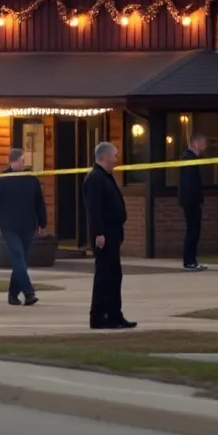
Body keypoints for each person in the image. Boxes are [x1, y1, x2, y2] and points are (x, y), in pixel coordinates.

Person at [84, 141, 136, 329]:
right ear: (104, 156)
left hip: (113, 233)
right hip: (104, 235)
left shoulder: (106, 177)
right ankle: (99, 316)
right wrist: (98, 233)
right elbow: (94, 209)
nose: (116, 159)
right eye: (114, 156)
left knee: (114, 275)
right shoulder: (95, 178)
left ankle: (114, 314)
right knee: (105, 276)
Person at [0, 148, 48, 307]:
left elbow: (39, 202)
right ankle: (29, 292)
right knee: (19, 255)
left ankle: (12, 294)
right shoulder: (2, 180)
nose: (24, 162)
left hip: (27, 226)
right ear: (13, 161)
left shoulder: (31, 179)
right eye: (22, 160)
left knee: (20, 260)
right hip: (9, 227)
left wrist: (42, 222)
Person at [177, 133, 209, 272]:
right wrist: (195, 199)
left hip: (192, 200)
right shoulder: (188, 159)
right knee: (192, 230)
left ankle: (191, 260)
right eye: (203, 142)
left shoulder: (193, 159)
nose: (205, 145)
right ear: (195, 143)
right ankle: (189, 261)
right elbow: (190, 183)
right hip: (191, 201)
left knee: (195, 230)